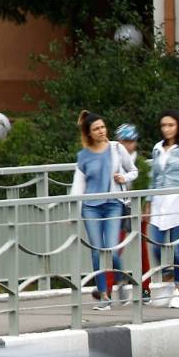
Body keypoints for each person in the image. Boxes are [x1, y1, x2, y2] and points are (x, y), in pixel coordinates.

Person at [72, 111, 128, 308]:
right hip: (91, 208)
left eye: (103, 127)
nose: (101, 131)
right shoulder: (83, 156)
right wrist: (75, 212)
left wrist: (125, 178)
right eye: (96, 129)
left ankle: (122, 277)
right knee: (97, 251)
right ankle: (104, 296)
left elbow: (133, 171)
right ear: (89, 133)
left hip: (113, 204)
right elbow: (77, 187)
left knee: (111, 250)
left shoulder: (116, 148)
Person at [149, 110, 179, 309]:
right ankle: (168, 275)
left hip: (178, 201)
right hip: (160, 202)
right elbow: (154, 178)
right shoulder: (157, 149)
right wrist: (148, 201)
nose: (167, 129)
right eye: (163, 125)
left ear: (178, 126)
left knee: (177, 248)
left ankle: (178, 290)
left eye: (171, 125)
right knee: (155, 244)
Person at [112, 122, 142, 300]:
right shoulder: (111, 158)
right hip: (117, 207)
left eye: (131, 141)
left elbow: (145, 185)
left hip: (137, 209)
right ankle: (117, 282)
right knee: (113, 250)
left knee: (143, 254)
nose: (128, 145)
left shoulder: (141, 163)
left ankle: (145, 293)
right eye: (124, 141)